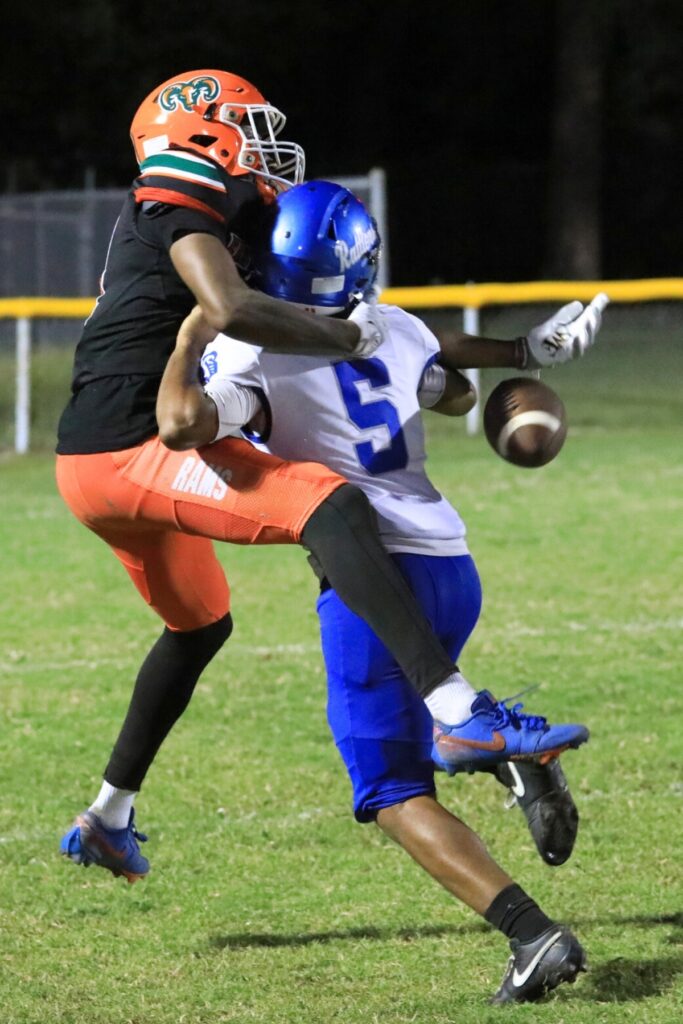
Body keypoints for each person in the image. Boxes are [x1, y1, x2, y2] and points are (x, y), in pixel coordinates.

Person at [57, 71, 594, 892]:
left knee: (201, 627)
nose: (267, 139)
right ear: (200, 135)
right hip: (138, 445)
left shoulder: (235, 215)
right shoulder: (179, 189)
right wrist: (349, 338)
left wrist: (512, 353)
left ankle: (109, 814)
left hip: (100, 462)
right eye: (246, 124)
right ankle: (455, 712)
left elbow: (401, 338)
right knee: (326, 501)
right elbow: (231, 308)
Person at [152, 180, 608, 1003]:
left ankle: (531, 936)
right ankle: (517, 759)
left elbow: (182, 423)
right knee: (432, 721)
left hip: (370, 574)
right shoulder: (391, 325)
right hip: (450, 566)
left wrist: (191, 336)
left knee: (391, 790)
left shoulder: (252, 346)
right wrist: (514, 359)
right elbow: (454, 387)